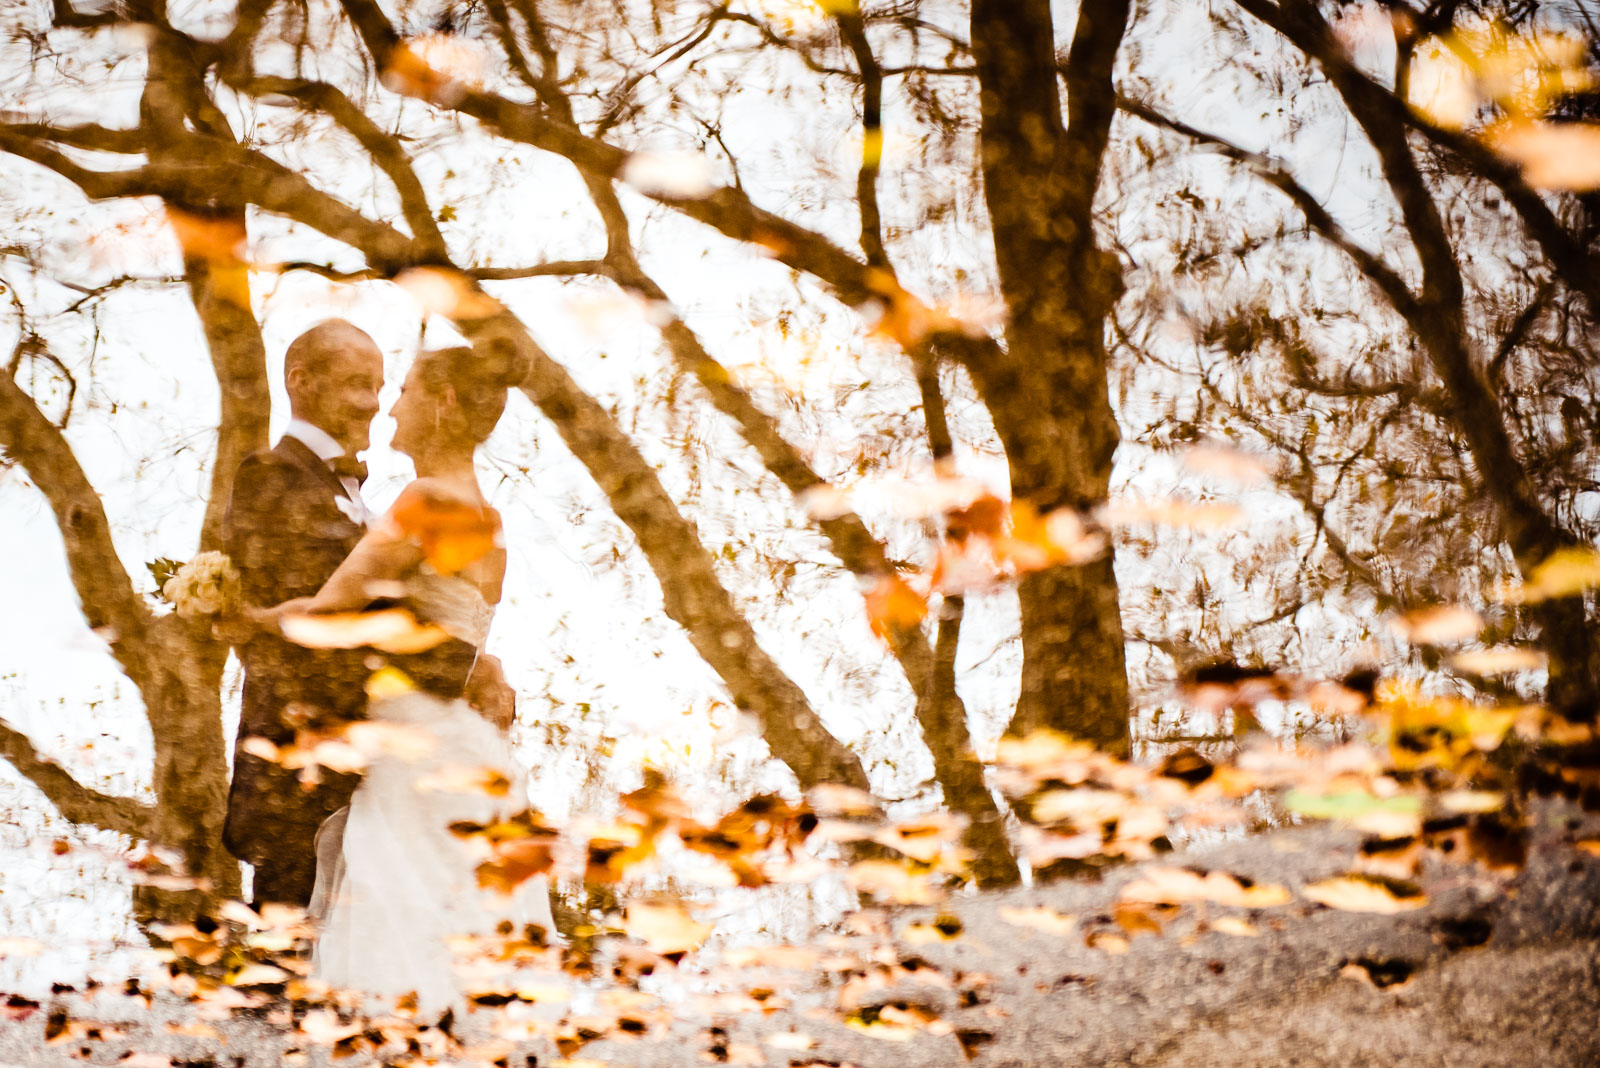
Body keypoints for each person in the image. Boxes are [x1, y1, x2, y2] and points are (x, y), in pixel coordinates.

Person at [258, 336, 549, 1015]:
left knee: (395, 920)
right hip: (472, 750)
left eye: (408, 390)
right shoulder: (492, 524)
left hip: (411, 750)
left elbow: (329, 614)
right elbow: (460, 642)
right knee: (459, 921)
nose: (391, 407)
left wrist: (244, 617)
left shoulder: (423, 501)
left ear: (444, 402)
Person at [222, 319, 383, 907]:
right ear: (301, 381)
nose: (372, 403)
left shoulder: (363, 495)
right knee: (283, 973)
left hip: (362, 766)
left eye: (380, 388)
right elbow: (294, 630)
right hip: (297, 771)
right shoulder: (270, 475)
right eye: (358, 384)